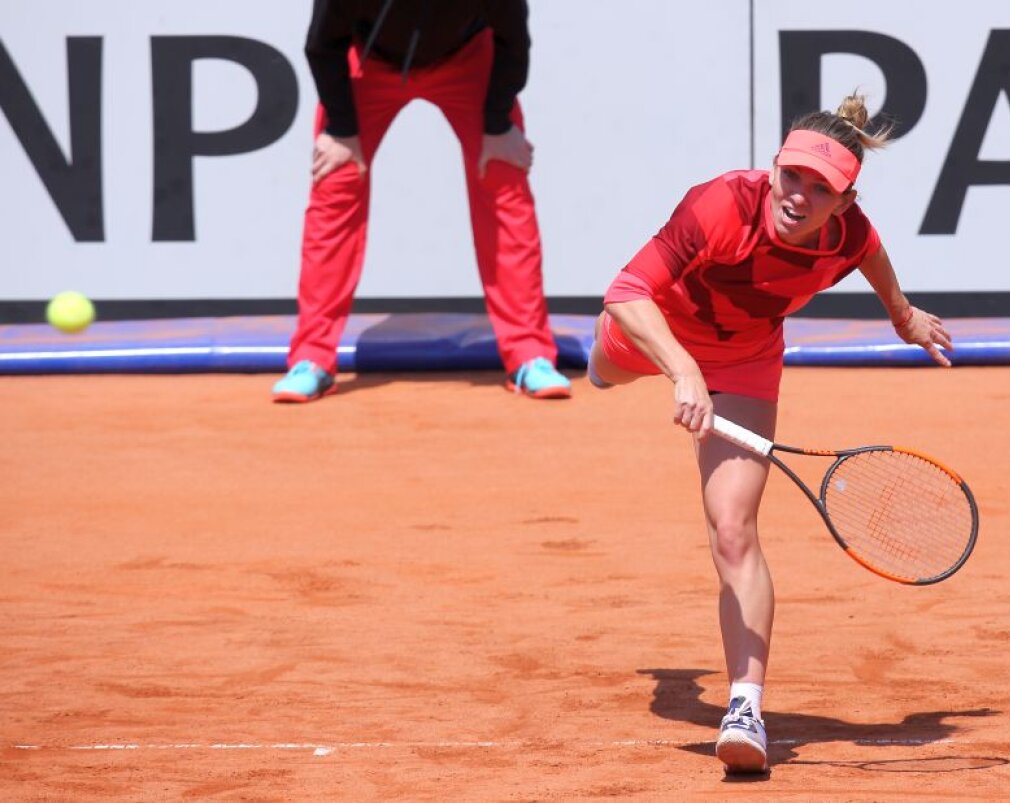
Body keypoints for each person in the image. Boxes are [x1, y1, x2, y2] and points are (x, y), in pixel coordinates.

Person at [587, 93, 954, 774]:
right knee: (604, 366)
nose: (800, 196)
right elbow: (626, 290)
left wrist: (903, 316)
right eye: (792, 176)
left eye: (823, 189)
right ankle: (610, 368)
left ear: (844, 202)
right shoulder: (719, 204)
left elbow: (872, 255)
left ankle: (744, 707)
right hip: (656, 335)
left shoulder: (848, 234)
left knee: (733, 528)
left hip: (747, 358)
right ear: (774, 167)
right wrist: (683, 370)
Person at [273, 0, 570, 403]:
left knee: (503, 177)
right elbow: (322, 44)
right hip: (367, 60)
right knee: (337, 181)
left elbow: (513, 38)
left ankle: (529, 355)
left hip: (467, 59)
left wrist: (498, 123)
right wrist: (342, 130)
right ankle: (311, 358)